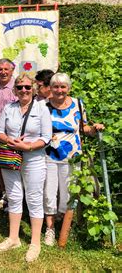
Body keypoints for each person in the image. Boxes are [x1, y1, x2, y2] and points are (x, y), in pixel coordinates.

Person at [0, 75, 52, 262]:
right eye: (20, 87)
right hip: (10, 157)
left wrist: (28, 146)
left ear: (33, 88)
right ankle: (13, 238)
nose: (24, 90)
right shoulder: (9, 108)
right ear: (15, 90)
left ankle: (35, 243)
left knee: (34, 198)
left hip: (33, 158)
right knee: (13, 196)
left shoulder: (41, 109)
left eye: (27, 87)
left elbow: (46, 137)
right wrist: (9, 140)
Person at [43, 73, 104, 246]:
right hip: (48, 156)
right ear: (50, 88)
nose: (59, 90)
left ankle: (65, 225)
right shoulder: (43, 106)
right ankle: (50, 228)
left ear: (68, 88)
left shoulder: (78, 103)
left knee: (68, 193)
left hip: (72, 157)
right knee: (49, 192)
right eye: (56, 86)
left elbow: (83, 127)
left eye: (63, 87)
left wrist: (94, 128)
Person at [0, 58, 18, 210]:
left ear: (12, 70)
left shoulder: (17, 88)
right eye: (0, 69)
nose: (3, 72)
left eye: (6, 69)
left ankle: (14, 197)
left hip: (10, 132)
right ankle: (4, 193)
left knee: (11, 164)